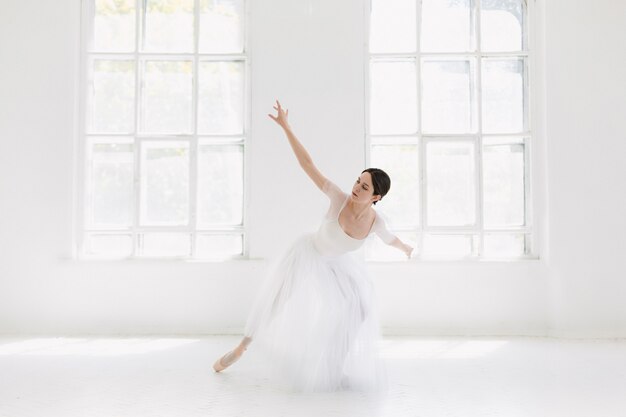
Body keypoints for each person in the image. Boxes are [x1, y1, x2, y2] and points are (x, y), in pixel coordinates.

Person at [212, 100, 414, 392]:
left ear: (376, 198)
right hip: (309, 253)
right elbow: (308, 165)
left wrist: (406, 249)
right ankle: (243, 347)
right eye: (358, 181)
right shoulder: (338, 198)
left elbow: (390, 239)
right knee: (278, 301)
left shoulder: (376, 223)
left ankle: (334, 364)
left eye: (365, 187)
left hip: (336, 266)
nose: (357, 187)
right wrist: (286, 127)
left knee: (359, 307)